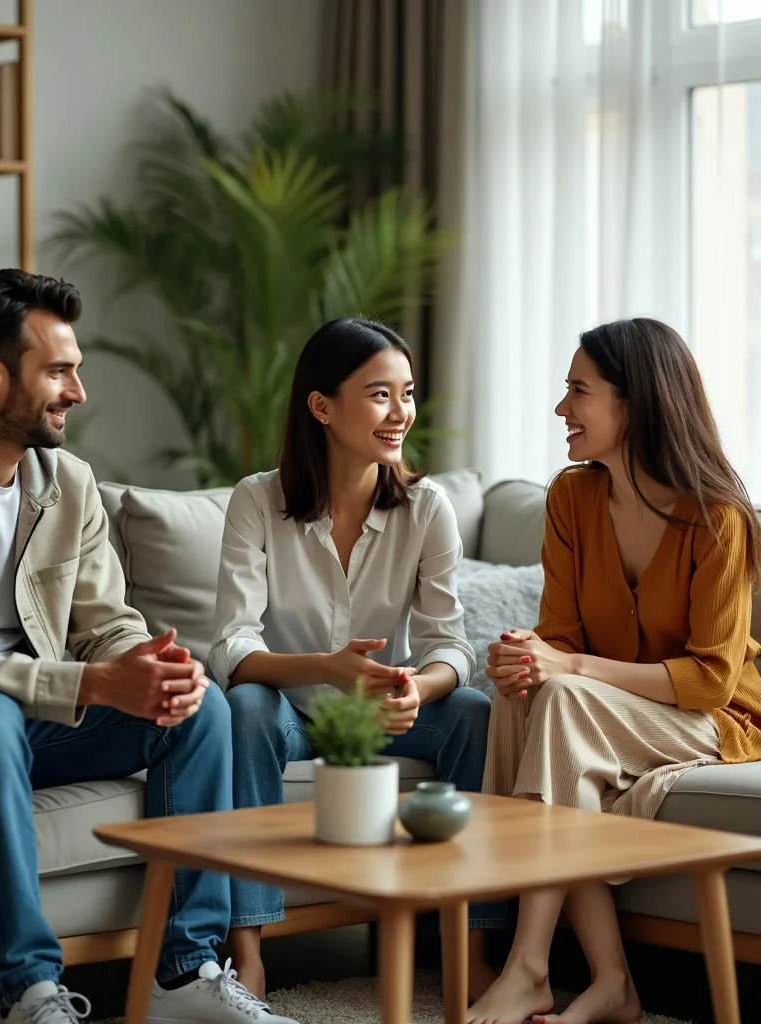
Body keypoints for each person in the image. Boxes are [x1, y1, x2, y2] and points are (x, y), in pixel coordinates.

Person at [0, 270, 302, 1024]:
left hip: (24, 720)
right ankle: (29, 991)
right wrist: (94, 685)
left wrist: (146, 664)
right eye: (60, 371)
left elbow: (106, 622)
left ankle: (183, 973)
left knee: (199, 705)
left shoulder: (67, 483)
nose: (77, 391)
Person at [469, 317, 761, 1024]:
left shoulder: (719, 518)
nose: (562, 410)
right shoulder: (571, 499)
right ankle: (612, 981)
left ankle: (529, 966)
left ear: (636, 403)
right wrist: (525, 658)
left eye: (577, 391)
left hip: (715, 719)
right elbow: (556, 637)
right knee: (525, 698)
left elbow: (711, 681)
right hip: (607, 711)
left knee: (560, 702)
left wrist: (572, 665)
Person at [209, 318, 505, 1001]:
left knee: (471, 713)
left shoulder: (428, 508)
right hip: (291, 707)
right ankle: (248, 950)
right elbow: (233, 646)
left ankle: (476, 946)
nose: (400, 412)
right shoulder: (257, 500)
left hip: (380, 708)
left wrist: (416, 690)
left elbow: (448, 646)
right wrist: (324, 666)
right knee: (245, 709)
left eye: (406, 393)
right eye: (379, 394)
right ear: (322, 406)